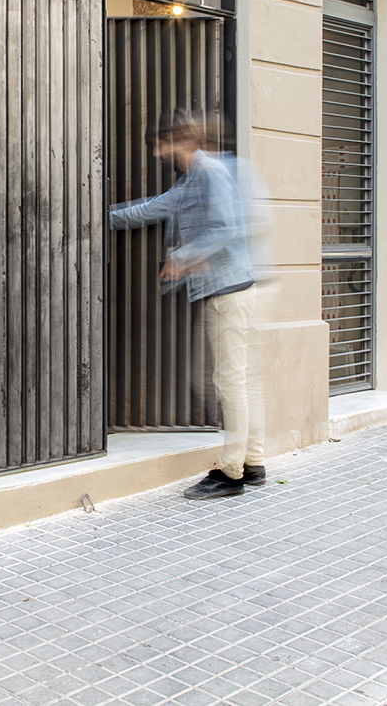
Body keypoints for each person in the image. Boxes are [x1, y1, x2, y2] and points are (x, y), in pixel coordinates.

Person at [108, 109, 266, 499]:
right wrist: (101, 216)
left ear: (179, 141)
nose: (159, 151)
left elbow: (226, 228)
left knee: (228, 381)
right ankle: (255, 462)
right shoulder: (193, 179)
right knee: (237, 380)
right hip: (225, 291)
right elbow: (151, 209)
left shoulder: (208, 172)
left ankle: (231, 474)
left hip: (229, 291)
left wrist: (182, 257)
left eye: (162, 143)